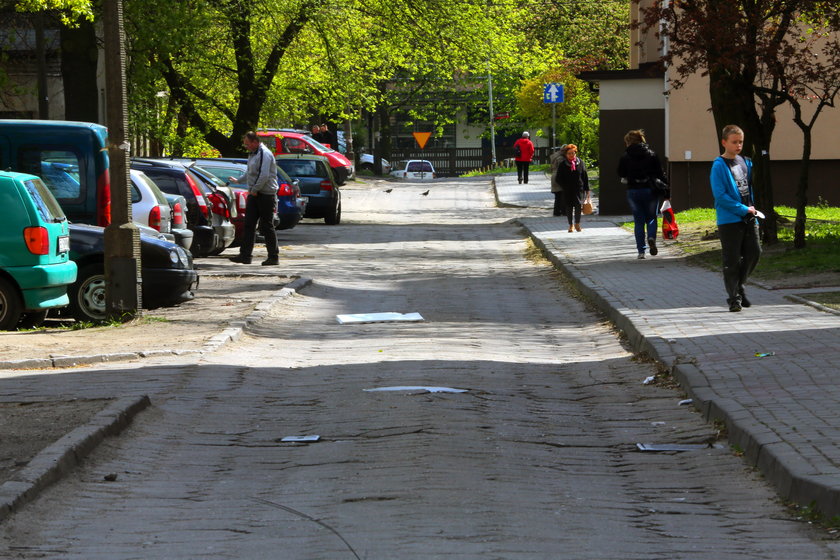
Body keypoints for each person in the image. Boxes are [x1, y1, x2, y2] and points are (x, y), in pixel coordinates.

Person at [710, 124, 761, 312]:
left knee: (754, 252)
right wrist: (742, 209)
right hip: (729, 219)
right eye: (734, 142)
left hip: (749, 217)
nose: (738, 145)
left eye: (740, 142)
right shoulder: (719, 165)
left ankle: (740, 285)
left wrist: (751, 209)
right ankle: (734, 299)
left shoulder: (745, 162)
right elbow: (720, 196)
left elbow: (748, 189)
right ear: (724, 142)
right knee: (731, 260)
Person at [228, 131, 280, 266]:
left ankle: (273, 257)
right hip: (254, 193)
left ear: (255, 142)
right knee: (249, 224)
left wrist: (255, 190)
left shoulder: (264, 154)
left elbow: (264, 175)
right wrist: (239, 181)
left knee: (266, 225)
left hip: (266, 194)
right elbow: (250, 171)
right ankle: (245, 255)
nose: (246, 146)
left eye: (247, 143)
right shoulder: (253, 153)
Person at [617, 129, 668, 259]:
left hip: (633, 190)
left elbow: (621, 173)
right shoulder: (651, 154)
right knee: (651, 218)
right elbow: (660, 173)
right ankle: (651, 237)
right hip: (650, 189)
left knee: (638, 221)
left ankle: (641, 251)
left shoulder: (625, 156)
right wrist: (667, 190)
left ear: (628, 142)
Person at [554, 144, 589, 232]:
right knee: (569, 207)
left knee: (578, 206)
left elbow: (585, 176)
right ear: (566, 154)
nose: (571, 155)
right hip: (567, 189)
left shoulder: (580, 162)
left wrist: (587, 189)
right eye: (569, 153)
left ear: (575, 153)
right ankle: (571, 225)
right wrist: (564, 186)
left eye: (573, 153)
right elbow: (558, 178)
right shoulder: (563, 164)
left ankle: (577, 224)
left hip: (579, 189)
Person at [549, 145, 567, 216]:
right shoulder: (561, 158)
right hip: (559, 176)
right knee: (562, 195)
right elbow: (562, 169)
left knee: (558, 196)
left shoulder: (555, 156)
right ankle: (563, 211)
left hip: (554, 176)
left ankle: (556, 212)